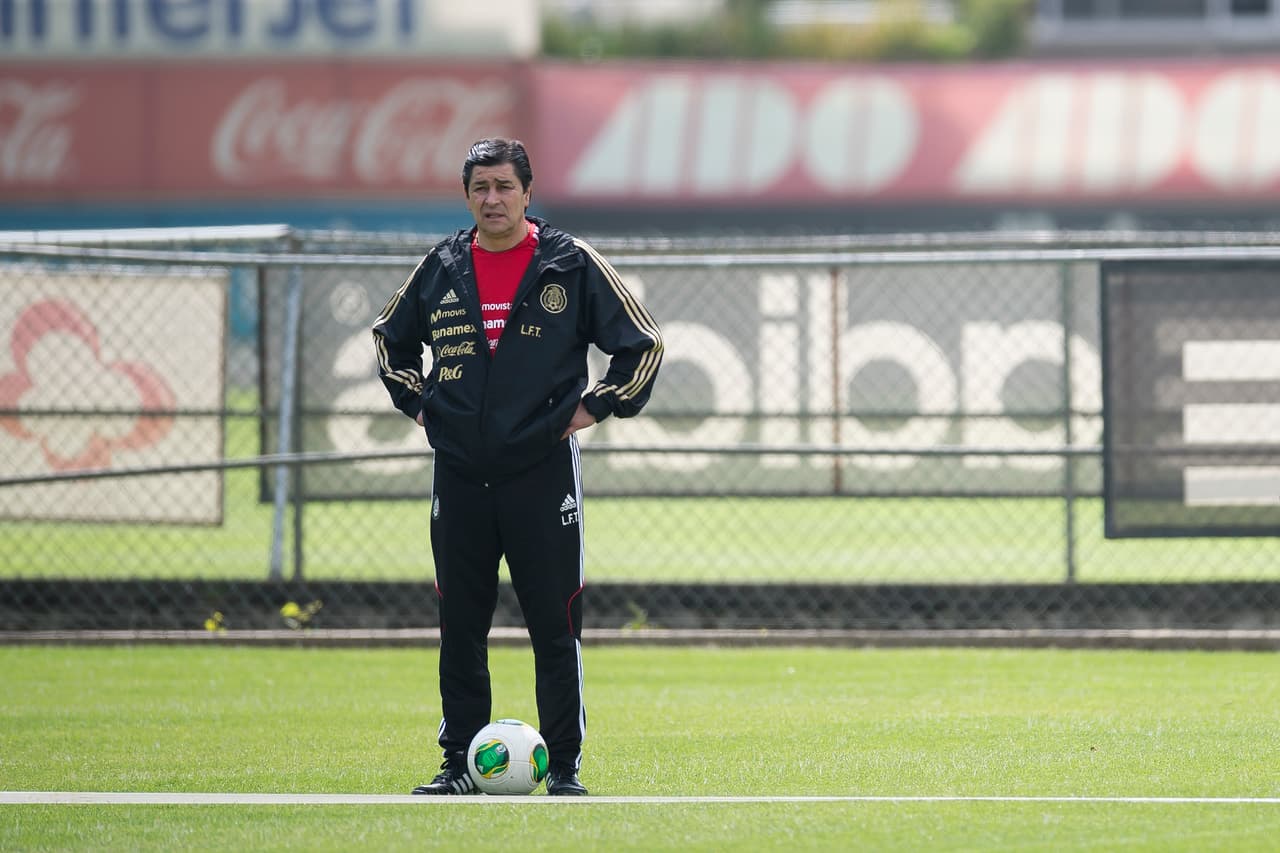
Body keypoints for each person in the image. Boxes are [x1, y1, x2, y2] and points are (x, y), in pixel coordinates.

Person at [371, 138, 663, 796]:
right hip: (460, 475)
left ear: (528, 192)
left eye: (504, 186)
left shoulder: (570, 263)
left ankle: (563, 768)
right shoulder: (442, 266)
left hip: (541, 475)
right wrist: (422, 408)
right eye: (480, 187)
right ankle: (459, 765)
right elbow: (389, 340)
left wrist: (592, 408)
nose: (492, 199)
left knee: (555, 624)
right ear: (467, 195)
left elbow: (642, 348)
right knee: (460, 626)